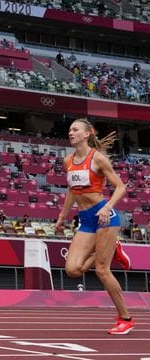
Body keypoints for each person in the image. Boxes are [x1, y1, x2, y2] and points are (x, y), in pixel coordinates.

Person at [54, 118, 133, 335]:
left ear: (87, 134)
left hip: (105, 217)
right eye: (69, 130)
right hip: (86, 219)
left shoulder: (98, 159)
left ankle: (125, 318)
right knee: (73, 270)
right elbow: (71, 190)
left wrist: (107, 207)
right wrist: (62, 217)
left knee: (101, 270)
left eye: (75, 129)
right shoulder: (68, 160)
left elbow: (121, 187)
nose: (71, 132)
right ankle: (110, 249)